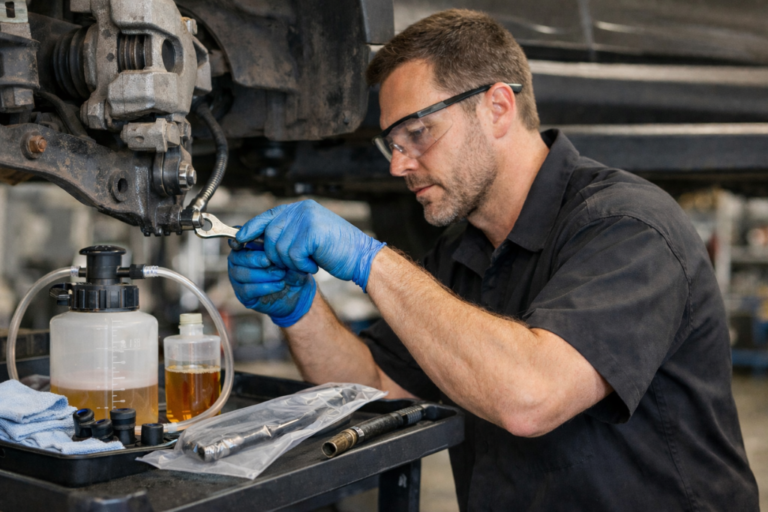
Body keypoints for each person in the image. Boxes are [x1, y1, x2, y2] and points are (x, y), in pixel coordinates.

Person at [228, 9, 758, 511]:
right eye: (390, 143)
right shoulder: (461, 256)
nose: (398, 165)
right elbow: (372, 392)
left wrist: (372, 260)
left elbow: (531, 397)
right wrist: (298, 308)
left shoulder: (628, 228)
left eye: (417, 133)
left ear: (498, 107)